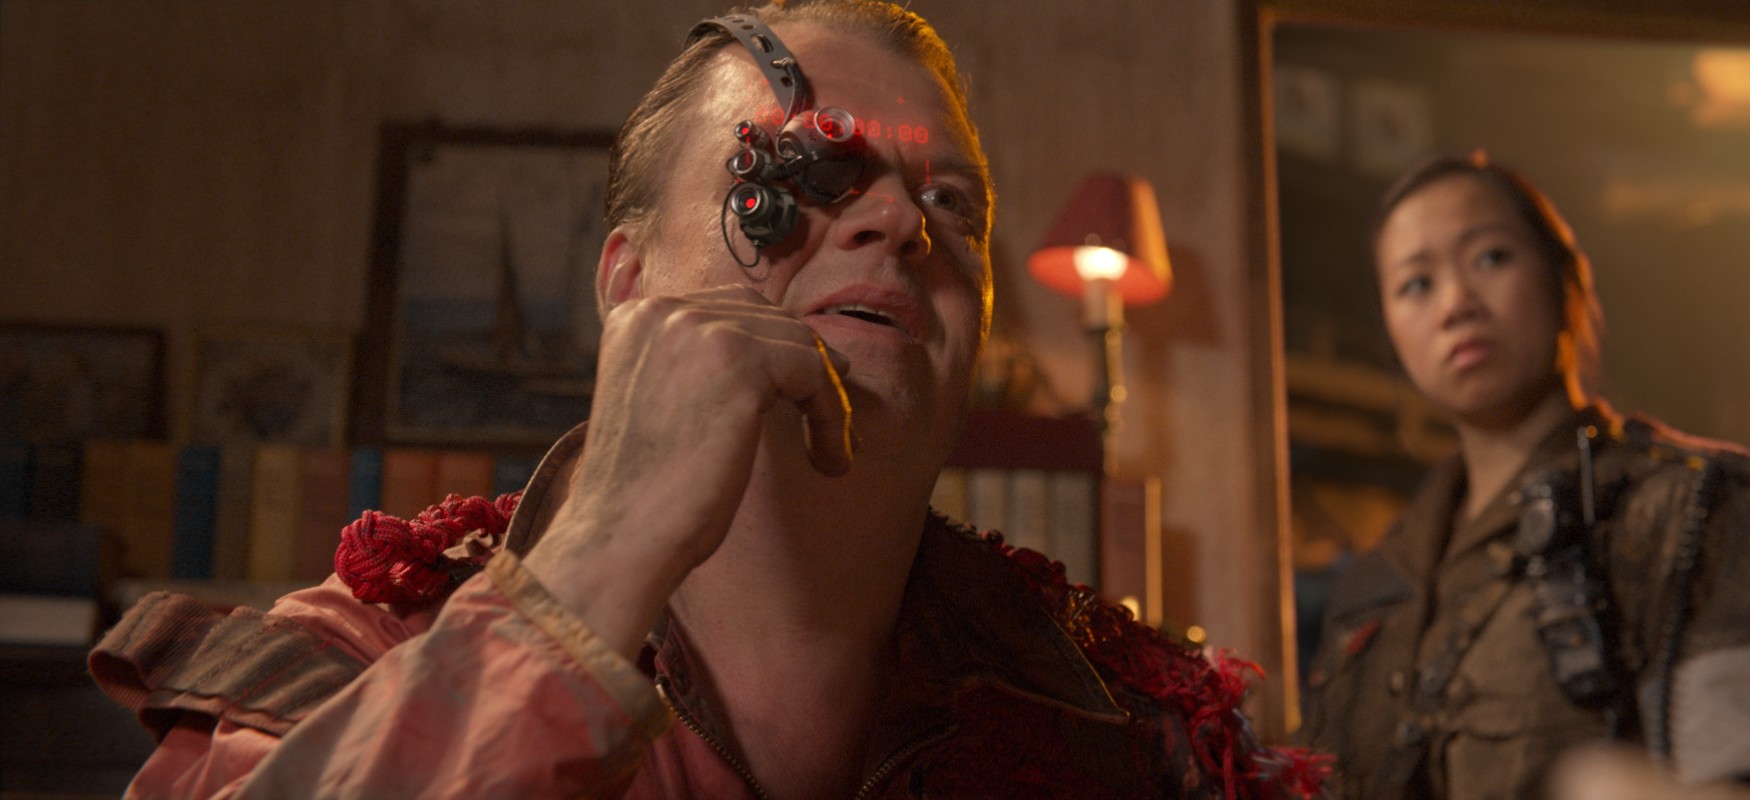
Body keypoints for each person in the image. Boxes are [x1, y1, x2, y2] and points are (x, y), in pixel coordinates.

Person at [88, 2, 1327, 798]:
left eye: (950, 204)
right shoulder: (354, 659)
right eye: (809, 173)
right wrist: (595, 564)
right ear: (628, 285)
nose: (901, 222)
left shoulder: (1143, 735)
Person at [1298, 151, 1750, 800]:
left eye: (1490, 257)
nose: (1455, 304)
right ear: (1391, 332)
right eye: (1416, 284)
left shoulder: (1688, 510)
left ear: (1565, 281)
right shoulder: (1375, 587)